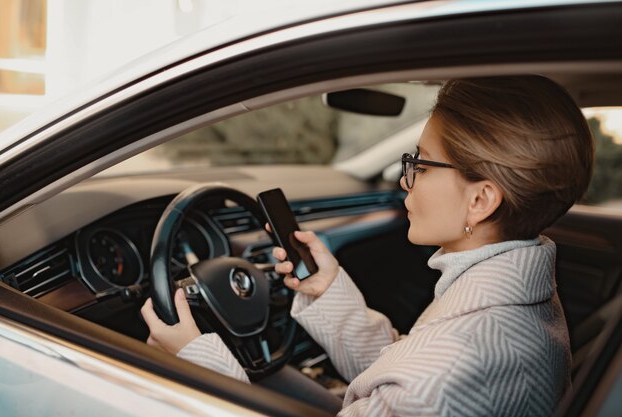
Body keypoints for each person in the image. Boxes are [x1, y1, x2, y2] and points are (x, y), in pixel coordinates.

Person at [141, 76, 594, 416]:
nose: (403, 178)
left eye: (420, 163)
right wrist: (328, 291)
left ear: (480, 200)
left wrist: (197, 363)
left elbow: (421, 379)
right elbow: (404, 362)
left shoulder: (446, 372)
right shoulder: (516, 299)